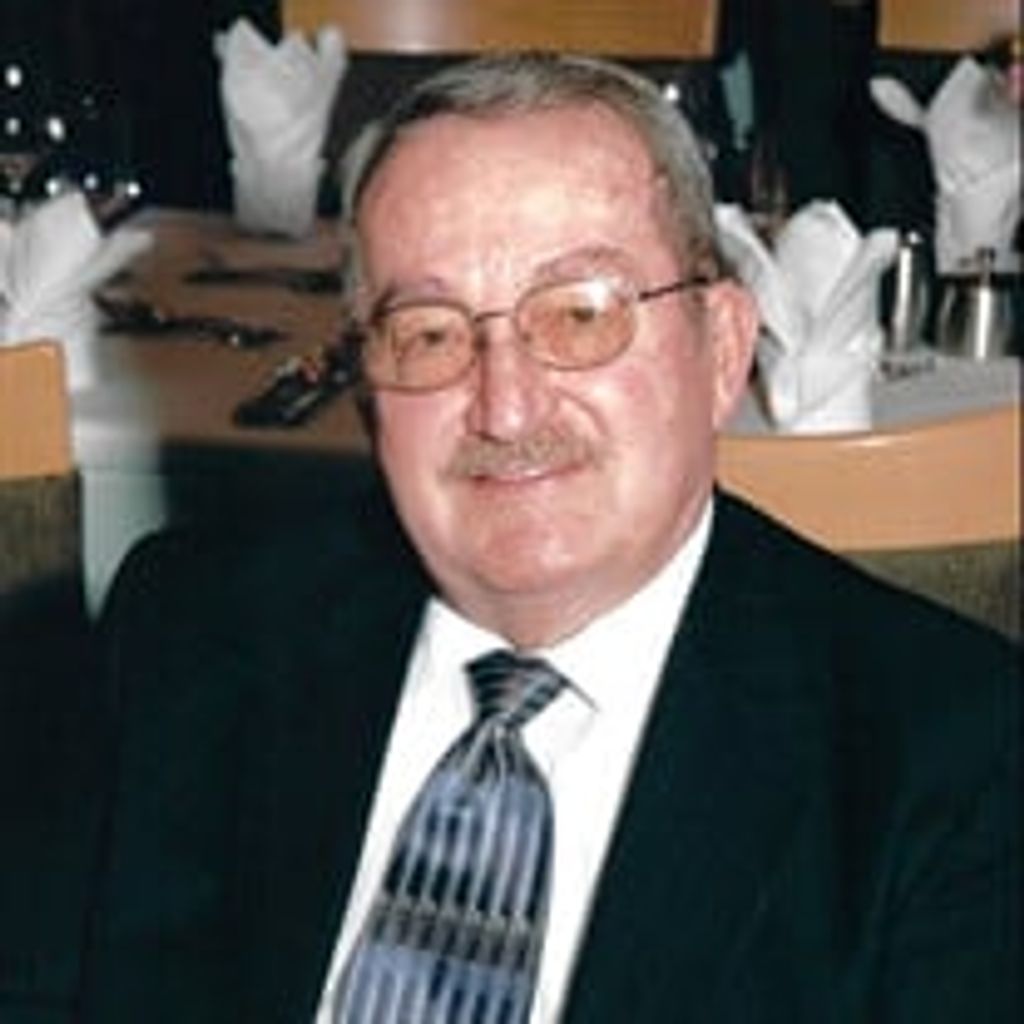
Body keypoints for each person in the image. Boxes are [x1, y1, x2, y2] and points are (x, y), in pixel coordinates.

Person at [74, 53, 1017, 1022]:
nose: (505, 406)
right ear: (366, 388)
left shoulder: (951, 755)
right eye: (430, 333)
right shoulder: (191, 631)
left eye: (579, 314)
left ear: (724, 348)